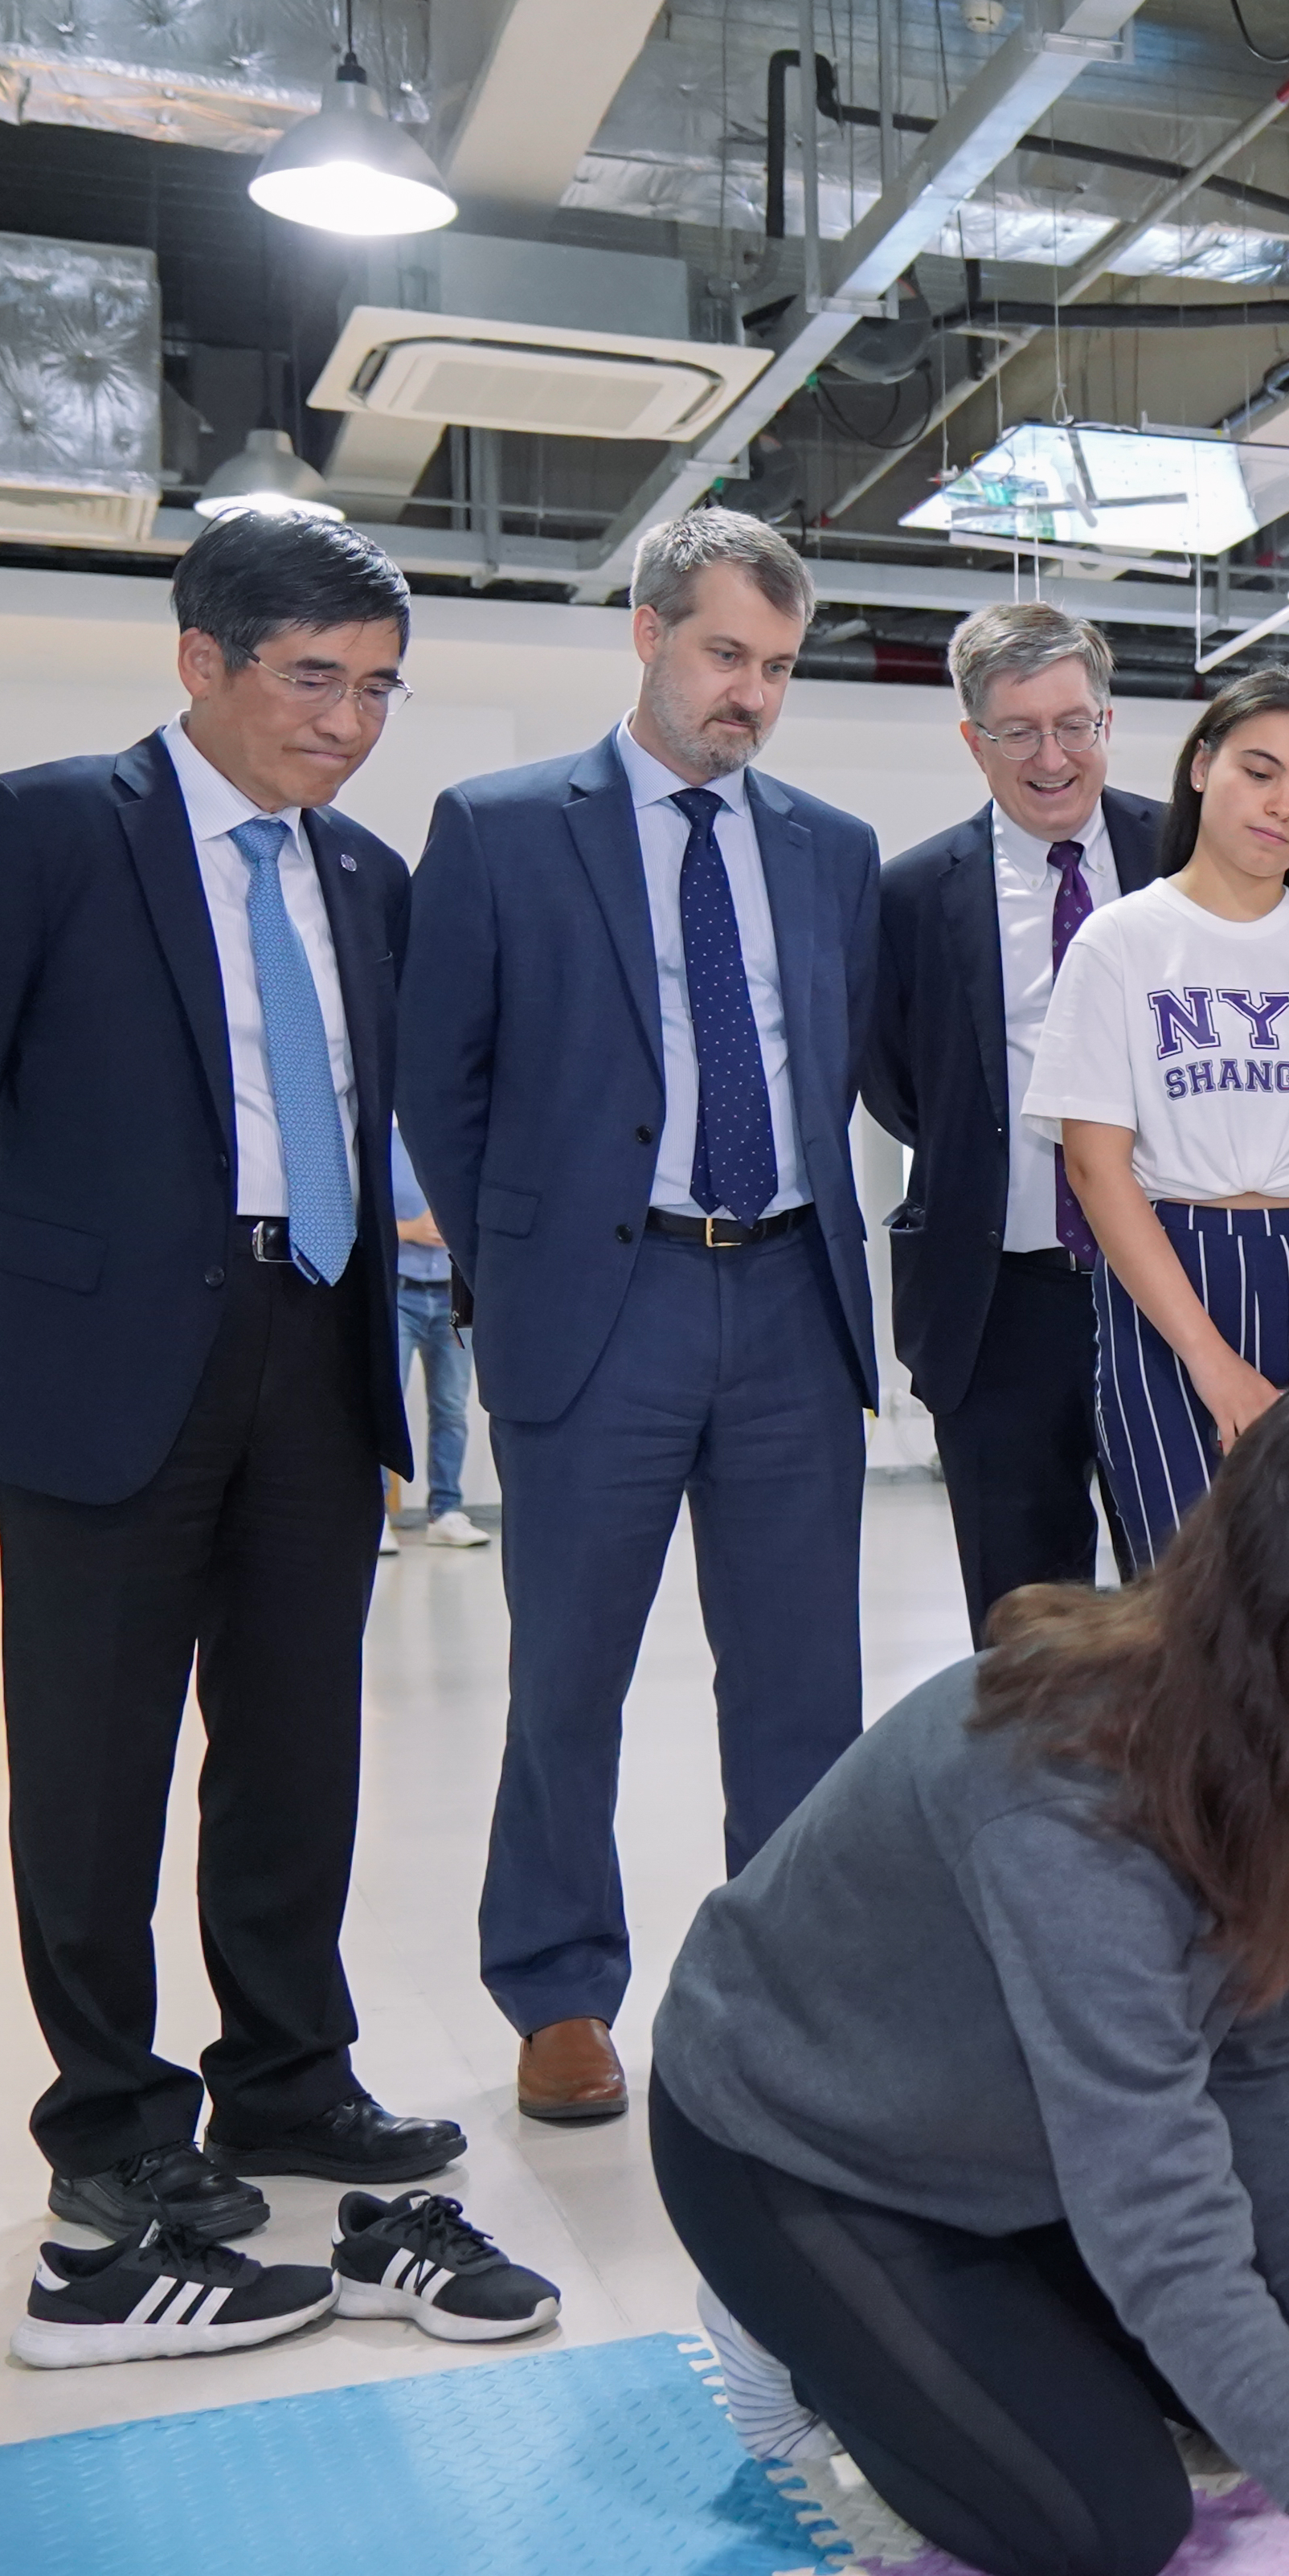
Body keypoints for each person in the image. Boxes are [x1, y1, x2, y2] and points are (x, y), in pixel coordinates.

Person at [647, 1379, 1289, 2576]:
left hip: (1017, 2153)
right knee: (1107, 2521)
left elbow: (1250, 2072)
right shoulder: (1062, 1795)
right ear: (1264, 1604)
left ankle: (973, 2328)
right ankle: (788, 2328)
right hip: (797, 2146)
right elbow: (1161, 2225)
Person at [0, 508, 462, 2353]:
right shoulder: (39, 829)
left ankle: (287, 2068)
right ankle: (113, 2121)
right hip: (103, 1358)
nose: (347, 723)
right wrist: (48, 1291)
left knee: (298, 1739)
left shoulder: (366, 876)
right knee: (94, 1758)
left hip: (315, 1334)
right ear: (200, 659)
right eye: (311, 679)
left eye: (376, 690)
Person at [399, 510, 886, 2135]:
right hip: (601, 1307)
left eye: (777, 667)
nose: (748, 693)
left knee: (805, 1684)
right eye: (724, 653)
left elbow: (842, 1067)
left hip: (791, 1292)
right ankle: (556, 1985)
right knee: (568, 1672)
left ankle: (796, 1991)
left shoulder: (830, 848)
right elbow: (439, 1083)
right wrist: (517, 1267)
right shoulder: (500, 827)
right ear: (648, 633)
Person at [1034, 669, 1289, 1576]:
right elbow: (1098, 1170)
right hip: (1170, 1279)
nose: (1281, 808)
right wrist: (1211, 1362)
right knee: (1189, 1594)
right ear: (1200, 766)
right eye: (1259, 772)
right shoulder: (1120, 942)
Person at [861, 604, 1166, 1635]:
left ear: (1108, 721)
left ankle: (1182, 1803)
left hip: (1174, 1297)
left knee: (1197, 1606)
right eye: (1019, 731)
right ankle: (1034, 1803)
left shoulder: (1189, 854)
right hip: (999, 1311)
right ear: (972, 739)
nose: (1053, 756)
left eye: (1075, 723)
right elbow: (904, 1089)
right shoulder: (906, 897)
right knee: (1024, 1628)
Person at [383, 1123, 486, 1550]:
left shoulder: (458, 1136)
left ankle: (446, 1510)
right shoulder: (379, 1137)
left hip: (453, 1296)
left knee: (451, 1407)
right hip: (399, 1293)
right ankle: (377, 1518)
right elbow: (352, 1211)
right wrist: (408, 1230)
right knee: (385, 1406)